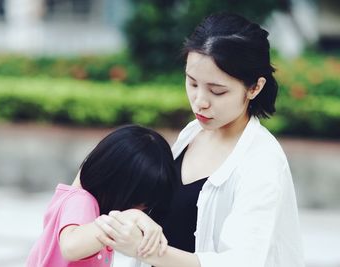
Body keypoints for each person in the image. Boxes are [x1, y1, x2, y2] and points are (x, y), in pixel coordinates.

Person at [95, 13, 305, 267]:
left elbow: (241, 262)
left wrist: (145, 250)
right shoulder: (193, 132)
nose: (200, 101)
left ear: (254, 88)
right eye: (192, 83)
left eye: (217, 91)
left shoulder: (262, 161)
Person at [26, 125, 179, 267]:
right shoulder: (82, 200)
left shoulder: (80, 201)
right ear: (114, 184)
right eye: (137, 202)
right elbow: (71, 247)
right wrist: (128, 216)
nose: (141, 210)